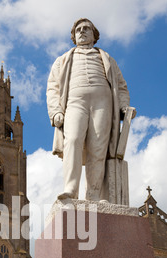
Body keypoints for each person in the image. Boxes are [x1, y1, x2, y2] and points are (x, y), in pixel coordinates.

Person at [47, 18, 136, 201]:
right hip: (74, 101)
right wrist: (55, 111)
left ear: (94, 36)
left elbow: (120, 87)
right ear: (74, 36)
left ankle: (93, 194)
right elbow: (53, 87)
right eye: (78, 29)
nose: (82, 31)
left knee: (98, 147)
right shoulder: (63, 60)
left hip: (102, 102)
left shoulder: (107, 58)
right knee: (72, 140)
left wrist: (123, 106)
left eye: (86, 28)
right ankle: (71, 189)